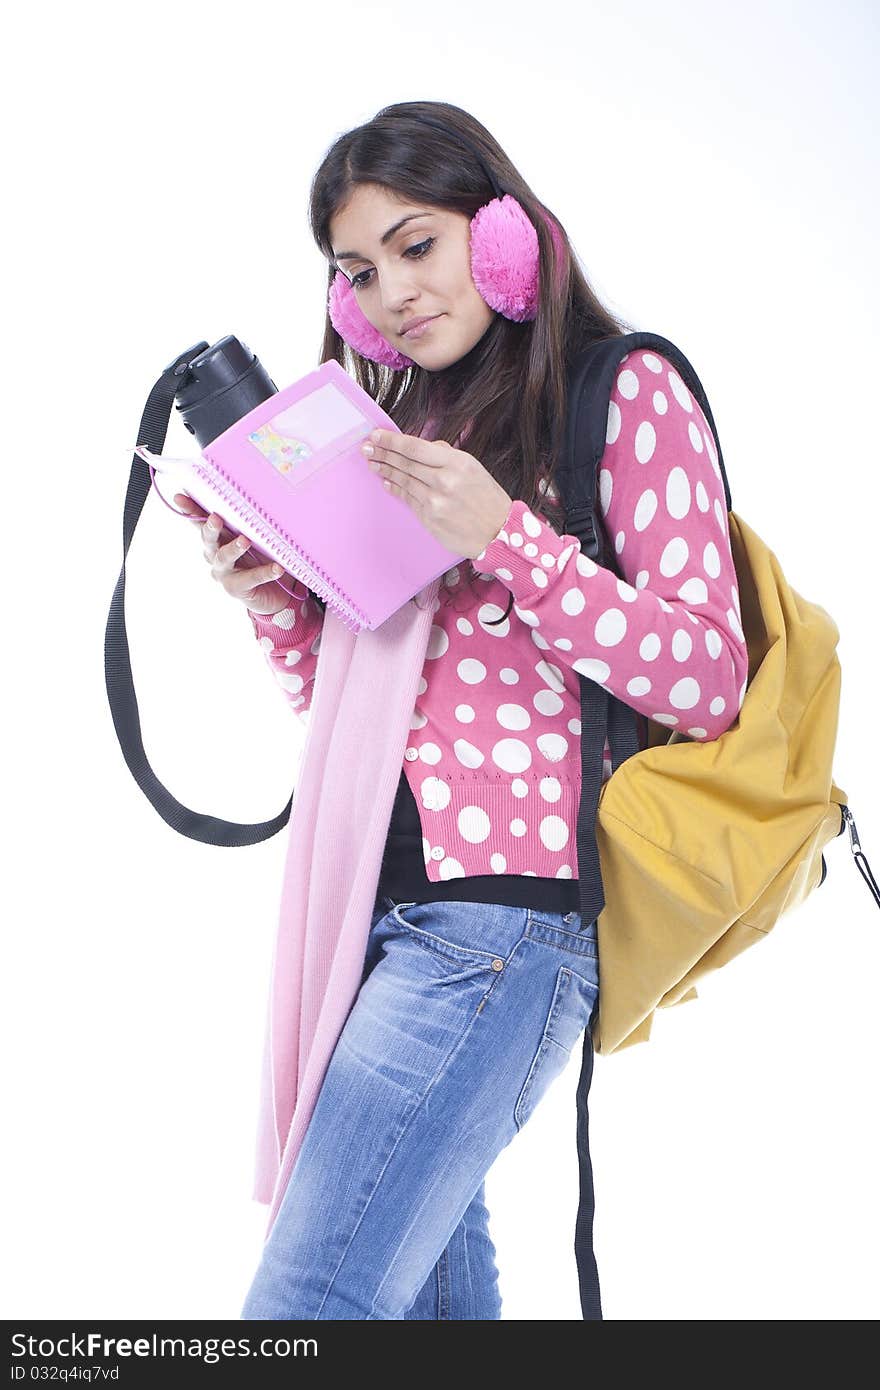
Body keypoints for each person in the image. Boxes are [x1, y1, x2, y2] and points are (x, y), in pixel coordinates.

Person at [174, 100, 749, 1320]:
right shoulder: (400, 429)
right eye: (357, 270)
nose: (389, 293)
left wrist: (510, 540)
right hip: (378, 926)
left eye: (415, 244)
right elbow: (366, 710)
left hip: (499, 935)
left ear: (500, 235)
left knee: (304, 1314)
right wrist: (277, 598)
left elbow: (707, 677)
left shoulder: (621, 389)